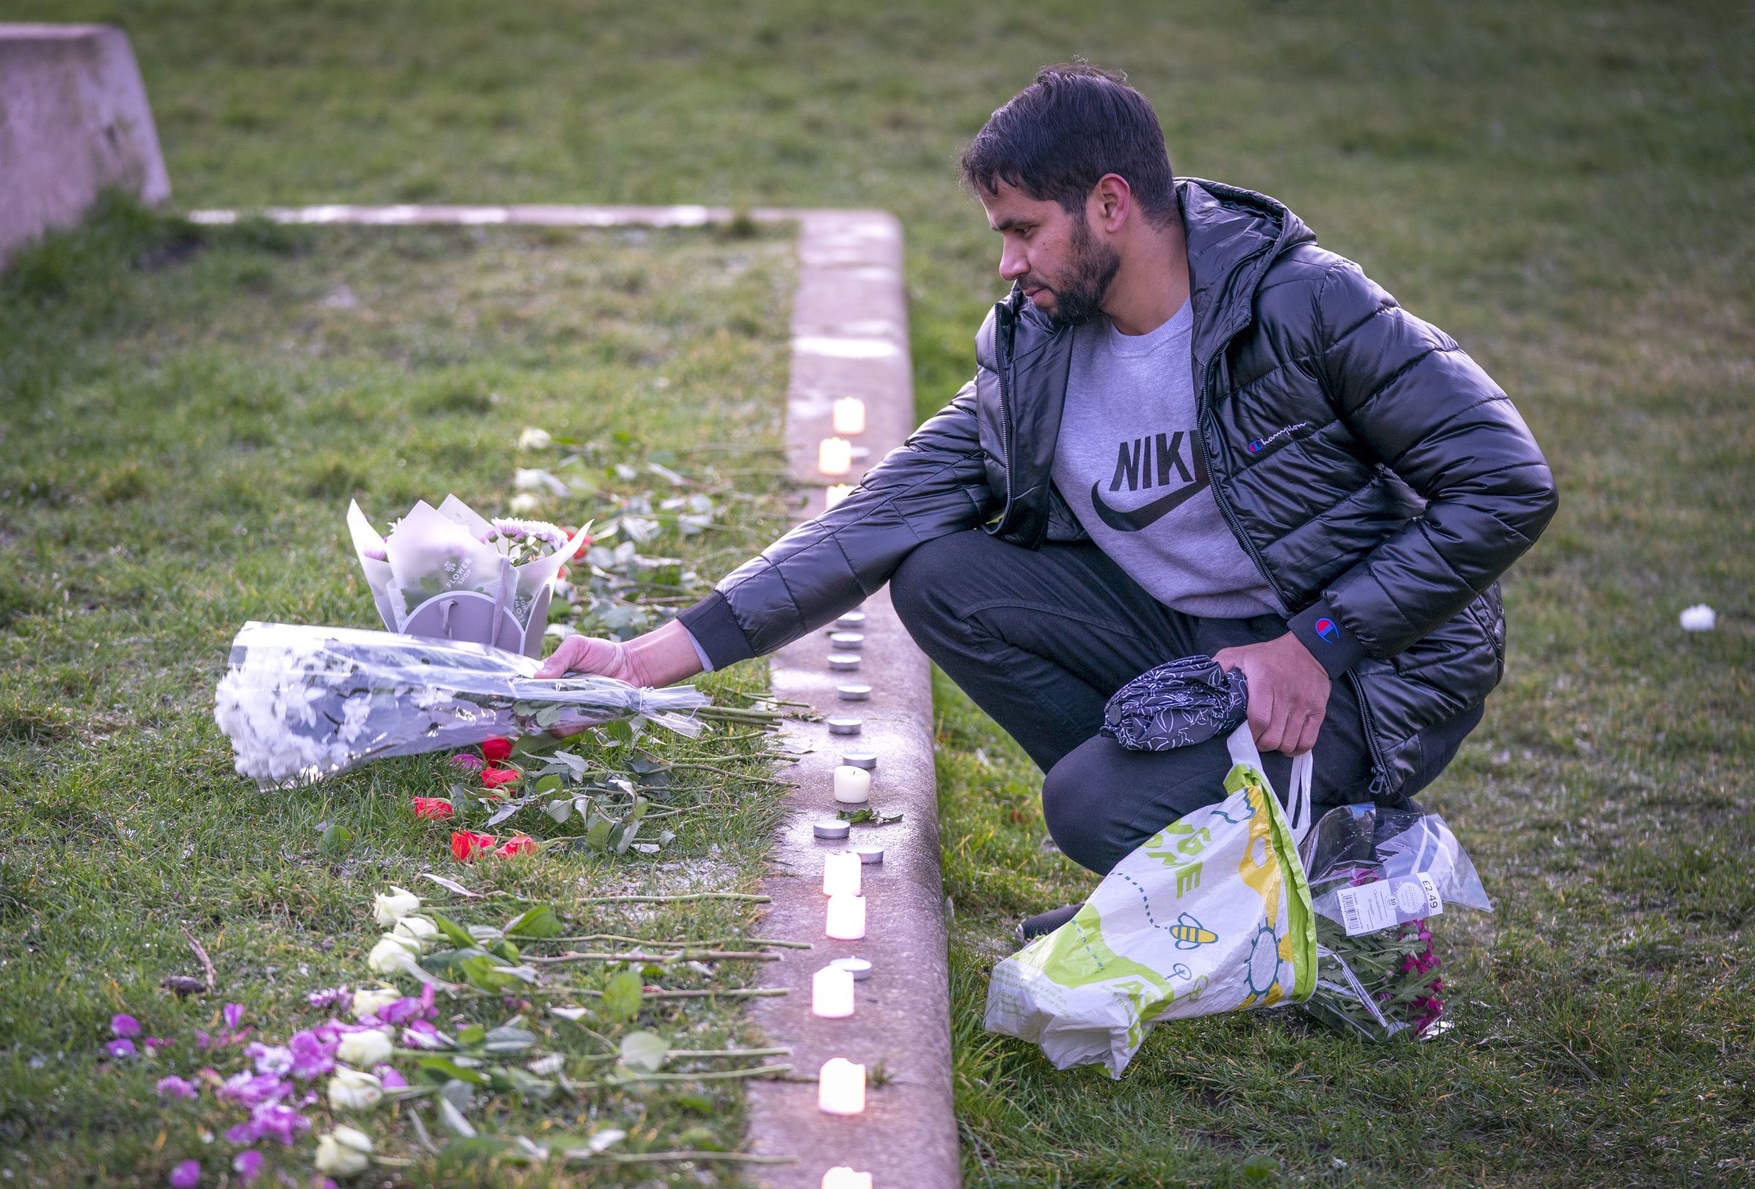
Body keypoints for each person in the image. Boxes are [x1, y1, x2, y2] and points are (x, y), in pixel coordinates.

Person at [535, 63, 1557, 938]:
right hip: (1195, 638)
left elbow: (1507, 482)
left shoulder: (1304, 303)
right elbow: (878, 515)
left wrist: (1319, 640)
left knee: (1086, 807)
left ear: (1110, 204)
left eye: (1024, 229)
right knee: (942, 574)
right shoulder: (1031, 346)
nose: (1006, 260)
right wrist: (649, 657)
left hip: (1365, 667)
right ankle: (1186, 862)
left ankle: (1334, 849)